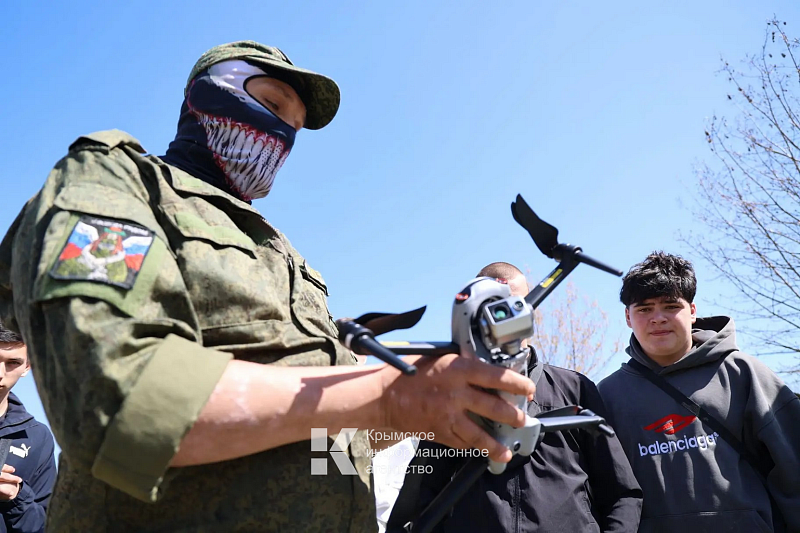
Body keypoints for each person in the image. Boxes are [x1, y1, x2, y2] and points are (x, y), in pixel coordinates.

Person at [0, 42, 536, 532]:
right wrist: (384, 394)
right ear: (206, 95)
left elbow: (323, 444)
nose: (282, 135)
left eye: (295, 128)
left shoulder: (283, 258)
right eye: (273, 105)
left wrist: (421, 410)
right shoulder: (116, 183)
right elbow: (111, 403)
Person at [388, 262, 642, 532]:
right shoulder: (453, 398)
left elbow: (621, 493)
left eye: (514, 306)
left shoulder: (575, 388)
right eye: (492, 308)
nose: (503, 319)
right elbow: (419, 501)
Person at [598, 251, 800, 532]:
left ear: (692, 311)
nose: (658, 318)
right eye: (644, 309)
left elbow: (793, 466)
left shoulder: (744, 373)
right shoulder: (607, 395)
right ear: (628, 317)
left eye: (671, 306)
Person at [0, 324, 56, 533]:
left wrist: (15, 497)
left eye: (13, 362)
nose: (0, 373)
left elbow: (45, 526)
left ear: (27, 367)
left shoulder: (37, 437)